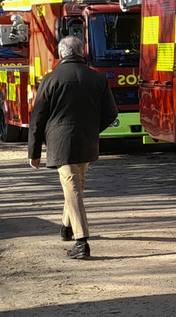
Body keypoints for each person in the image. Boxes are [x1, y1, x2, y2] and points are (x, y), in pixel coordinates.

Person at [27, 35, 117, 260]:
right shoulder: (97, 78)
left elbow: (37, 117)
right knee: (76, 187)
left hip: (60, 143)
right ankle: (67, 227)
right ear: (81, 52)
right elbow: (111, 113)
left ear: (61, 54)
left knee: (73, 189)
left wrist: (34, 151)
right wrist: (93, 129)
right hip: (87, 141)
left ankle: (81, 241)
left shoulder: (50, 79)